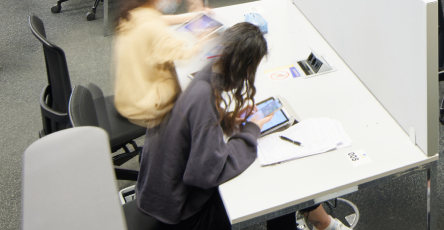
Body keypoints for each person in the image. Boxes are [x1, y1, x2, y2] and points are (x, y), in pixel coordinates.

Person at [134, 23, 349, 230]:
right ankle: (315, 222)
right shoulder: (202, 97)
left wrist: (227, 120)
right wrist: (251, 130)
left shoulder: (199, 80)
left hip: (156, 195)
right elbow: (205, 174)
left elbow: (194, 128)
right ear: (246, 68)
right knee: (279, 187)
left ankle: (321, 222)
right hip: (182, 215)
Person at [112, 0, 211, 128]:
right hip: (147, 109)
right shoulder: (154, 29)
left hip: (128, 98)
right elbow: (186, 56)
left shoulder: (135, 13)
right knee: (204, 89)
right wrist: (203, 40)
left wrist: (194, 13)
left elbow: (159, 19)